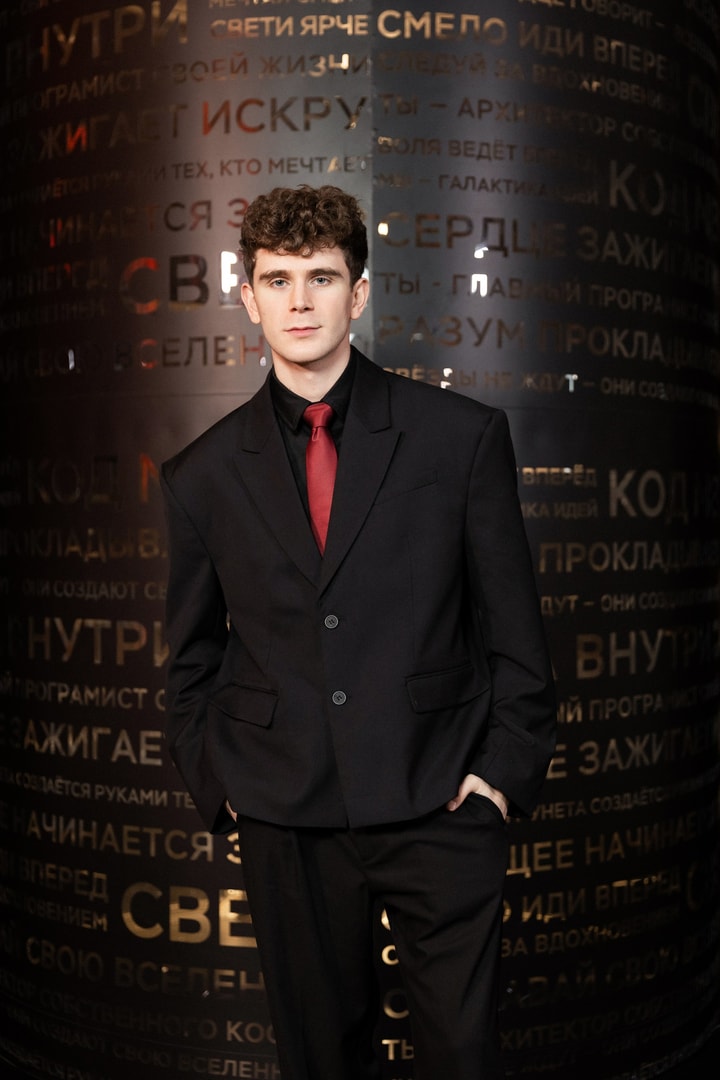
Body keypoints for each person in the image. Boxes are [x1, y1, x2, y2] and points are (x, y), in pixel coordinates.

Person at [161, 184, 556, 1080]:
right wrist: (225, 786)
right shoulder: (200, 474)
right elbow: (191, 660)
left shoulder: (460, 437)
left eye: (323, 277)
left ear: (361, 293)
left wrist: (498, 780)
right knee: (320, 1063)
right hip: (285, 815)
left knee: (462, 1058)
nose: (300, 301)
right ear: (249, 298)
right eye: (278, 280)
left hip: (441, 802)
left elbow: (516, 635)